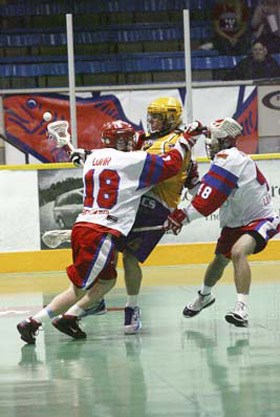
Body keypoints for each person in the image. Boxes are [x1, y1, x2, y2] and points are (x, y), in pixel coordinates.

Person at [17, 119, 198, 344]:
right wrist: (187, 139)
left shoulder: (93, 158)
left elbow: (82, 156)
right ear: (125, 140)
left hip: (84, 226)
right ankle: (33, 322)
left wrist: (73, 151)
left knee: (107, 280)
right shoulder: (134, 160)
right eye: (127, 138)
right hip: (101, 231)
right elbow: (172, 164)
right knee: (78, 288)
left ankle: (70, 317)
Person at [164, 117, 280, 327]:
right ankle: (204, 296)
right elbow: (204, 193)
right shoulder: (224, 159)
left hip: (260, 219)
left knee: (238, 252)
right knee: (219, 261)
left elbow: (207, 201)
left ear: (224, 141)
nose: (209, 143)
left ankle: (242, 309)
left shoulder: (229, 158)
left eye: (211, 139)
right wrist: (192, 183)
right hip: (235, 222)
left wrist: (183, 216)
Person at [114, 97, 204, 335]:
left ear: (171, 118)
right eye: (151, 115)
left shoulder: (179, 143)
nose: (152, 120)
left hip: (155, 208)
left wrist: (186, 213)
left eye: (157, 116)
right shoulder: (143, 140)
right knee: (107, 248)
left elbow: (194, 186)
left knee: (130, 258)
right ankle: (97, 299)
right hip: (131, 203)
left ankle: (131, 307)